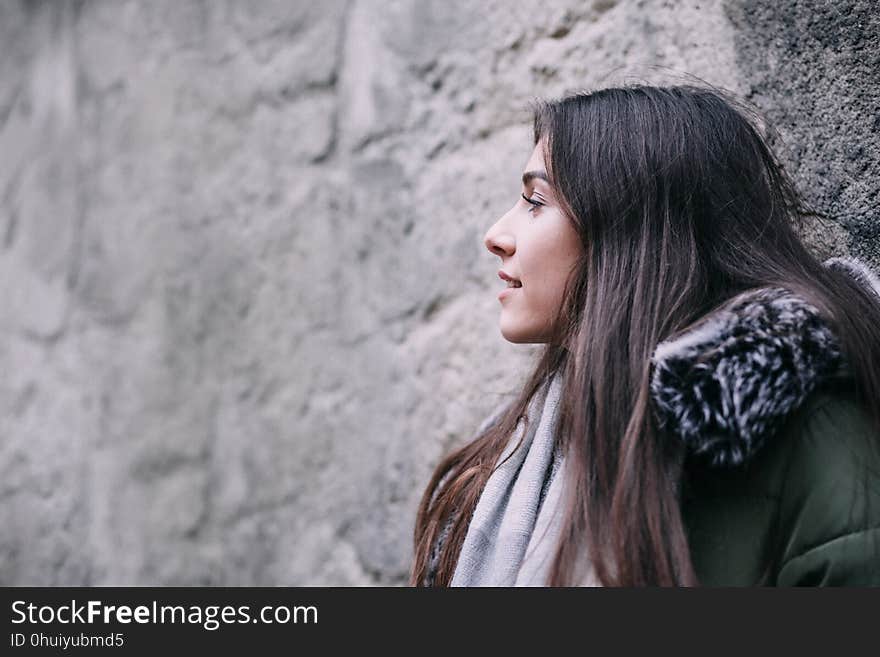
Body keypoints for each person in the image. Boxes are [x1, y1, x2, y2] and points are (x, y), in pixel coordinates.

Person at [409, 84, 880, 587]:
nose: (496, 235)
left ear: (632, 229)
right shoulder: (516, 452)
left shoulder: (806, 432)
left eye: (535, 201)